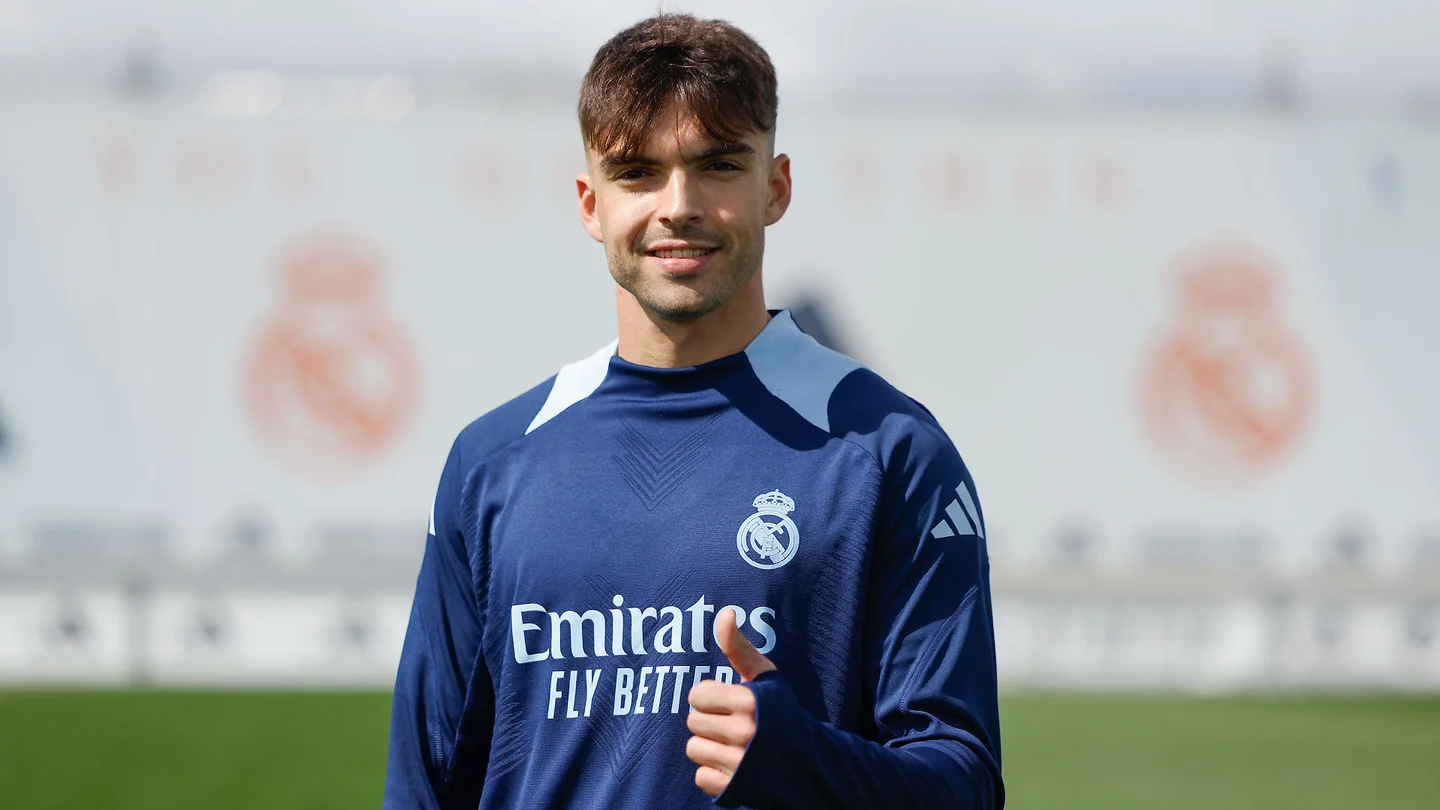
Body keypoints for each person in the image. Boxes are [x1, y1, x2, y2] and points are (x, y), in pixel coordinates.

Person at [384, 13, 1003, 810]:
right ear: (589, 204)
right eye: (637, 172)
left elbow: (965, 787)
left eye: (716, 165)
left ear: (774, 187)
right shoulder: (494, 461)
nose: (678, 205)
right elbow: (422, 788)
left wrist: (804, 759)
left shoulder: (891, 452)